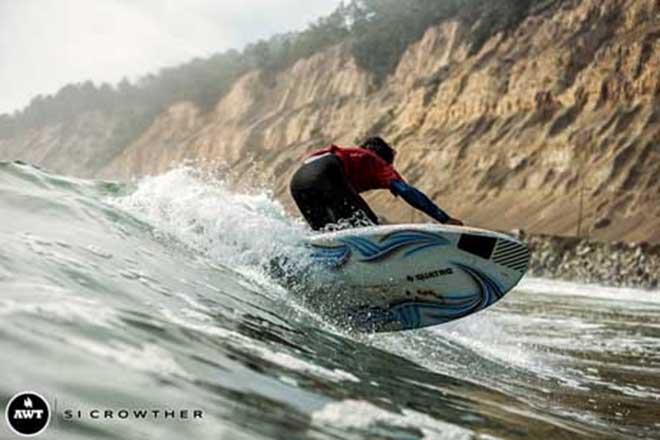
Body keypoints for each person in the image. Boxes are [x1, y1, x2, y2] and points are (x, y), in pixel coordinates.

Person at [289, 137, 463, 230]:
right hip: (325, 173)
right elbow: (408, 191)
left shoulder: (349, 158)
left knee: (327, 236)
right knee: (368, 225)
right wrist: (444, 219)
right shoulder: (376, 160)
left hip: (297, 184)